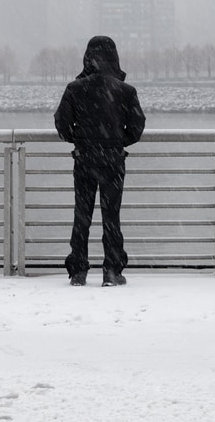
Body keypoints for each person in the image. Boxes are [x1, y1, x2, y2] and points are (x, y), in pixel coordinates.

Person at [53, 35, 145, 286]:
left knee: (81, 215)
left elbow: (61, 124)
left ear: (88, 57)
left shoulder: (75, 88)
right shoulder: (125, 91)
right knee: (111, 217)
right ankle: (112, 270)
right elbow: (137, 128)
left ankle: (79, 271)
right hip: (113, 160)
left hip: (84, 159)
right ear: (114, 58)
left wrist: (81, 140)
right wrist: (115, 142)